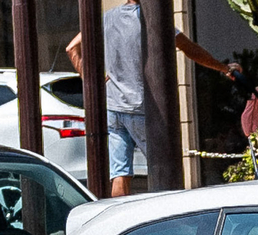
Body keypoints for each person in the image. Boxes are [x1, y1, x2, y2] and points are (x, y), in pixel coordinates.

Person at [65, 0, 240, 196]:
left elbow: (71, 48)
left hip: (114, 108)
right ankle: (167, 220)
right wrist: (224, 68)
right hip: (141, 108)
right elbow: (190, 49)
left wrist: (95, 80)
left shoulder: (108, 18)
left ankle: (120, 220)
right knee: (164, 170)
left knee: (120, 174)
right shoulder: (152, 19)